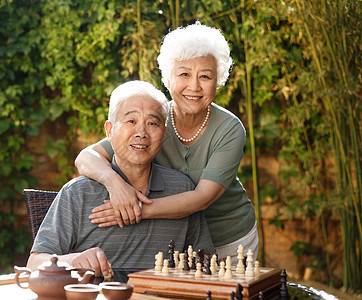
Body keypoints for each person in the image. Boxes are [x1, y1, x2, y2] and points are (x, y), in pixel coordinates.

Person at [75, 22, 258, 263]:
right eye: (184, 74)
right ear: (168, 79)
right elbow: (86, 157)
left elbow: (202, 198)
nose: (194, 86)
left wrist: (136, 210)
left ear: (217, 81)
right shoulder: (152, 122)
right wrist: (115, 184)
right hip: (176, 239)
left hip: (230, 240)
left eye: (205, 76)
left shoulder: (230, 129)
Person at [27, 80, 214, 277]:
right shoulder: (78, 193)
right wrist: (73, 260)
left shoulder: (182, 188)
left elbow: (205, 259)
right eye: (131, 121)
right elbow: (34, 263)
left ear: (164, 133)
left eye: (152, 123)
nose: (141, 133)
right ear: (109, 130)